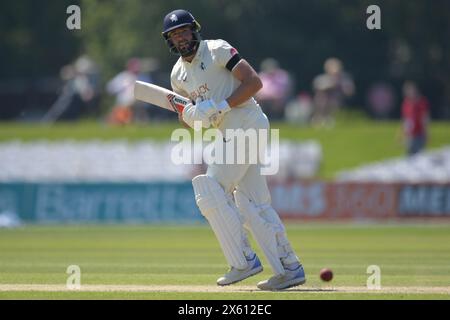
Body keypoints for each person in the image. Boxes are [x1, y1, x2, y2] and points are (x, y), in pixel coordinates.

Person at [162, 9, 306, 290]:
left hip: (247, 123)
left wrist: (222, 105)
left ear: (194, 30)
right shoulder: (177, 75)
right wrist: (191, 117)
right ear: (169, 41)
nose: (181, 38)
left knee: (209, 190)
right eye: (175, 35)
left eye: (184, 31)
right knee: (253, 204)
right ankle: (289, 268)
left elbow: (254, 82)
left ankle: (243, 262)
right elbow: (197, 118)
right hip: (227, 133)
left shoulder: (216, 50)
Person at [311, 57, 355, 127]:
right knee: (321, 97)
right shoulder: (322, 79)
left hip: (339, 102)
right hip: (323, 103)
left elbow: (350, 92)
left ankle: (330, 119)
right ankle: (320, 119)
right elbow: (317, 88)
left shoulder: (344, 79)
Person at [401, 81, 430, 156]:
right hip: (410, 134)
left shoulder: (421, 102)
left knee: (419, 156)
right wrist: (404, 134)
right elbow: (406, 120)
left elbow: (425, 117)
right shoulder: (406, 103)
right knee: (410, 155)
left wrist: (426, 132)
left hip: (420, 133)